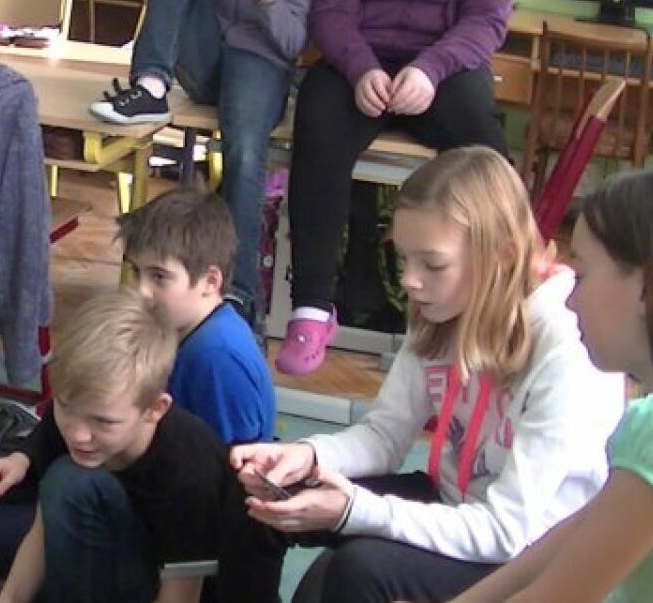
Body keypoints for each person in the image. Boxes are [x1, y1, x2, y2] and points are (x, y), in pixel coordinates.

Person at [227, 147, 625, 603]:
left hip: (526, 556)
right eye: (403, 260)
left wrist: (356, 511)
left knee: (362, 570)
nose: (410, 281)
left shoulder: (568, 345)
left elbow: (507, 530)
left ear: (503, 255)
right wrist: (307, 455)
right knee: (261, 496)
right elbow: (384, 436)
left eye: (432, 264)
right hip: (453, 504)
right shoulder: (441, 306)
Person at [0, 186, 276, 578]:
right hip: (102, 453)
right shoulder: (164, 323)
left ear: (210, 281)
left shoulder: (219, 360)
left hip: (136, 502)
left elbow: (212, 491)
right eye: (135, 271)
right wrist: (26, 456)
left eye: (159, 277)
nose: (140, 291)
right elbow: (88, 401)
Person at [278, 0, 516, 376]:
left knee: (482, 142)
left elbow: (486, 21)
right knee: (318, 115)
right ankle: (312, 305)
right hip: (364, 65)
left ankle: (496, 289)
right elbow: (332, 12)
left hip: (443, 70)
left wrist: (430, 70)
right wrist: (362, 69)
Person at [453, 162, 653, 602]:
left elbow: (555, 597)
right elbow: (569, 537)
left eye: (581, 275)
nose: (569, 300)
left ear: (649, 288)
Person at [90, 0, 318, 319]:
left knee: (244, 151)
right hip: (203, 62)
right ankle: (151, 85)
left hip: (259, 65)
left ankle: (238, 294)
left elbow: (293, 43)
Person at [0, 289, 285, 602]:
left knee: (71, 481)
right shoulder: (80, 416)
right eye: (64, 407)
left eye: (104, 422)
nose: (78, 434)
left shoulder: (188, 469)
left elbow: (182, 592)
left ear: (155, 409)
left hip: (201, 589)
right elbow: (43, 528)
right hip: (122, 551)